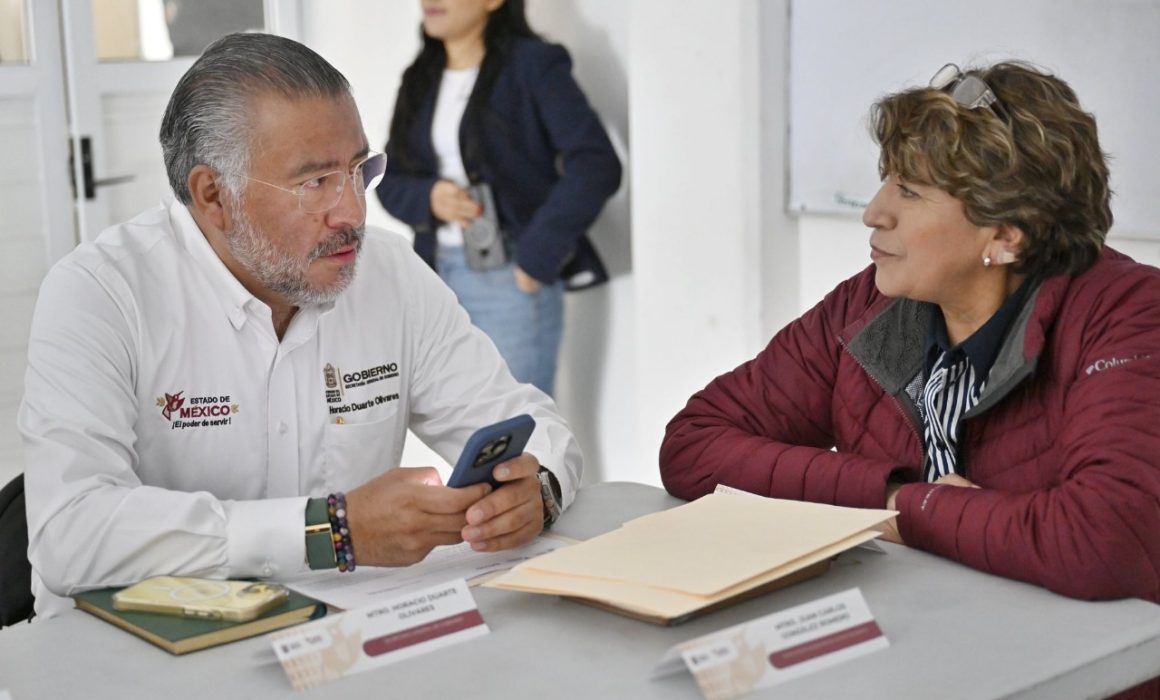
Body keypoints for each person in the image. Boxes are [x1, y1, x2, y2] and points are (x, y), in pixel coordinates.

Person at [18, 32, 582, 620]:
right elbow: (71, 534)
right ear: (214, 195)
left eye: (361, 170)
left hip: (339, 642)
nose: (354, 212)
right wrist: (328, 530)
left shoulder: (388, 273)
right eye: (316, 182)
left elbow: (531, 423)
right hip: (136, 653)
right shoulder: (101, 293)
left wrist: (535, 489)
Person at [660, 62, 1160, 604]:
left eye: (911, 191)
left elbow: (1107, 543)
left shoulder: (1131, 314)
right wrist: (891, 496)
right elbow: (693, 445)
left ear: (1008, 234)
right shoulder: (871, 304)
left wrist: (913, 515)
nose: (874, 213)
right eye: (886, 181)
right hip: (912, 639)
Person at [376, 0, 622, 396]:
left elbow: (595, 164)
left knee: (518, 432)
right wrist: (430, 197)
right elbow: (389, 179)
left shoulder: (533, 65)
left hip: (509, 277)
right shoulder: (420, 77)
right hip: (435, 279)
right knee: (460, 428)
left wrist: (537, 256)